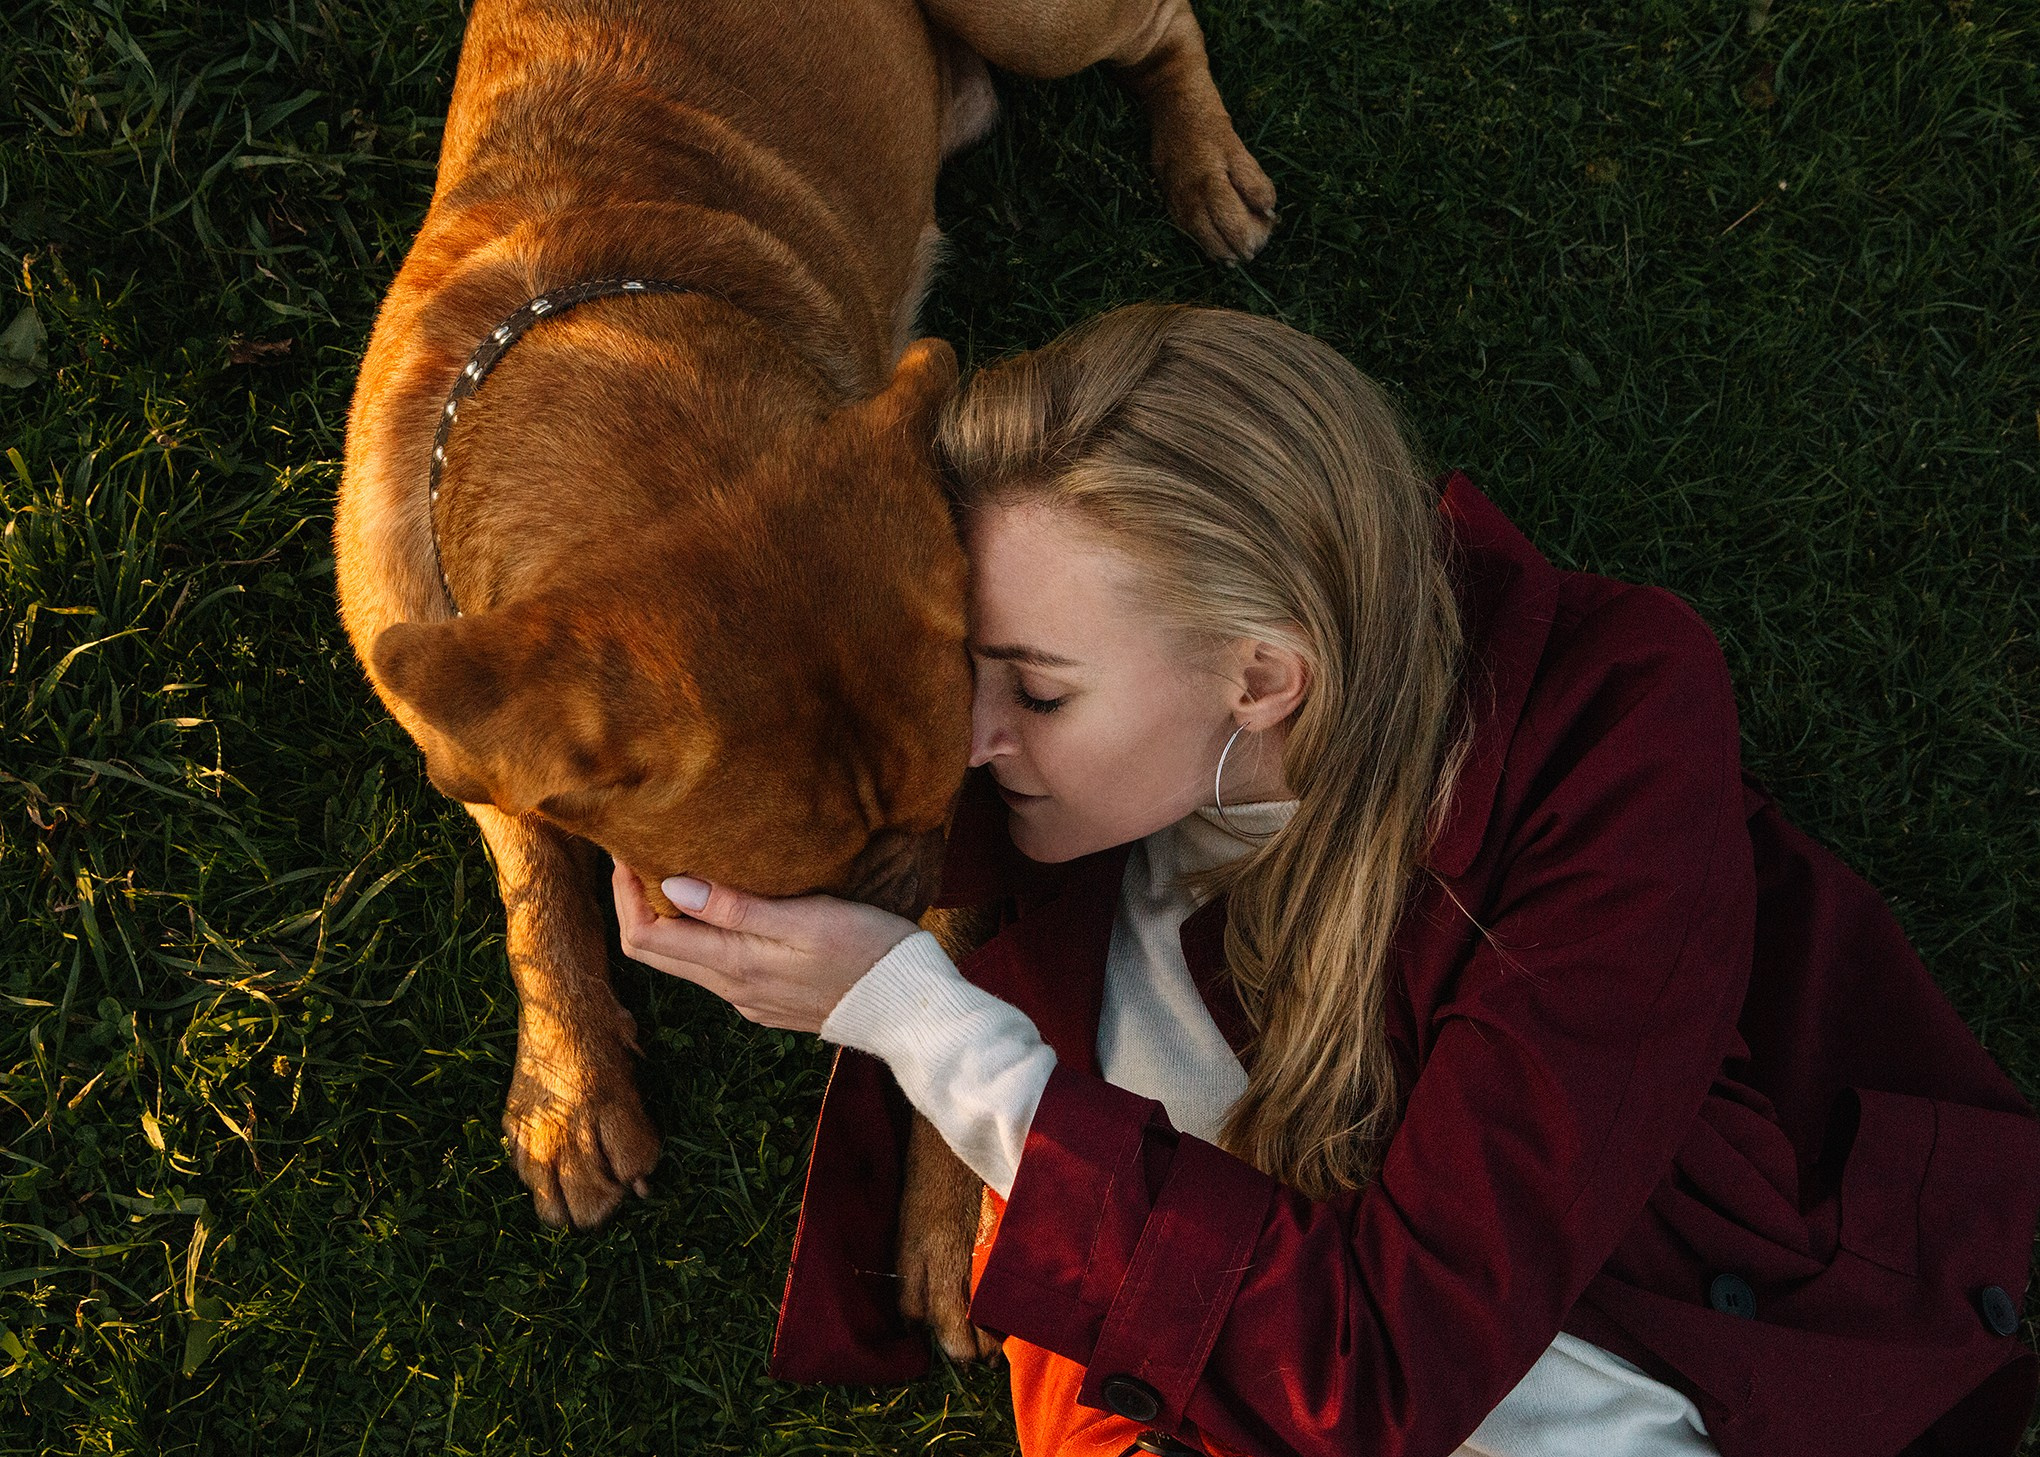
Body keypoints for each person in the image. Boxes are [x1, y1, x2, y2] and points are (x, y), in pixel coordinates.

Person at [610, 304, 2040, 1457]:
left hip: (1588, 1378)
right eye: (958, 670)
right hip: (1187, 1348)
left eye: (1036, 694)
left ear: (1262, 679)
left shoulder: (1607, 738)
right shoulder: (1074, 781)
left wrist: (917, 1016)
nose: (969, 743)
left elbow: (1379, 1368)